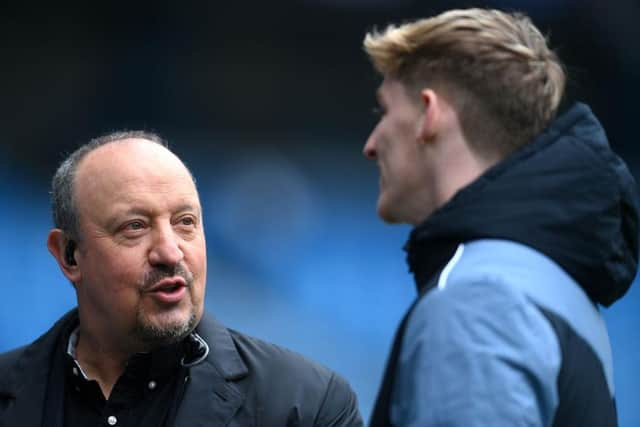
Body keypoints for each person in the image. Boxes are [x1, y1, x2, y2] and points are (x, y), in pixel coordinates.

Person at [362, 8, 638, 427]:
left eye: (383, 112)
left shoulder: (478, 302)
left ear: (428, 113)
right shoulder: (551, 284)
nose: (371, 144)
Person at [0, 131, 363, 427]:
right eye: (135, 227)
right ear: (69, 254)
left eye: (185, 222)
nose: (170, 253)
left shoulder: (307, 407)